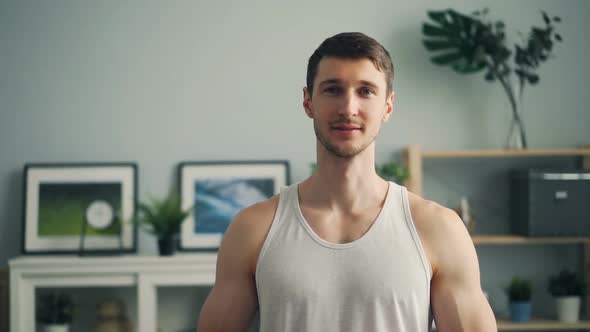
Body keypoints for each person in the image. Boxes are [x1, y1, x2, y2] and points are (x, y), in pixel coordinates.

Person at [197, 32, 497, 332]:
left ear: (388, 106)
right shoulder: (254, 229)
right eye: (332, 90)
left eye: (365, 91)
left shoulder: (439, 229)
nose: (348, 108)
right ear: (308, 101)